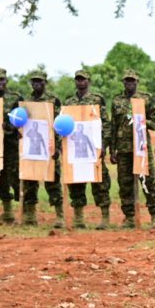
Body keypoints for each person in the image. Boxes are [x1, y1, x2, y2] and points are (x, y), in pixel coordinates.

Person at [110, 69, 155, 229]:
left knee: (149, 181)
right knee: (125, 184)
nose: (129, 83)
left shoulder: (145, 99)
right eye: (127, 81)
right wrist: (112, 150)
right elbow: (113, 126)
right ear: (123, 82)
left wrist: (142, 120)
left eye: (132, 81)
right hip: (123, 149)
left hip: (142, 148)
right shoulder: (117, 101)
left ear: (137, 82)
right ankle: (130, 217)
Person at [64, 70, 112, 229]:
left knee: (100, 182)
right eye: (78, 79)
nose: (80, 82)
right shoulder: (69, 102)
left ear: (88, 81)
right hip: (75, 148)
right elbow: (63, 125)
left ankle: (105, 217)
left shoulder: (97, 100)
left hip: (93, 147)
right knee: (75, 182)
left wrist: (104, 145)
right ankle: (79, 218)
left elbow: (105, 124)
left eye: (83, 79)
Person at [22, 70, 64, 228]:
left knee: (52, 182)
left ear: (45, 82)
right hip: (31, 148)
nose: (36, 84)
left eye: (39, 81)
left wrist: (57, 147)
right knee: (30, 182)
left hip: (48, 147)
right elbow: (22, 124)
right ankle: (30, 215)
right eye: (34, 81)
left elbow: (59, 124)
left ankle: (59, 215)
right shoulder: (26, 102)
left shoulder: (53, 100)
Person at [0, 68, 23, 223]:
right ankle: (8, 211)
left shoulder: (15, 98)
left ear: (6, 80)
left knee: (16, 177)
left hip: (12, 145)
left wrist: (9, 127)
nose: (0, 83)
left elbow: (23, 119)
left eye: (2, 79)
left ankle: (25, 211)